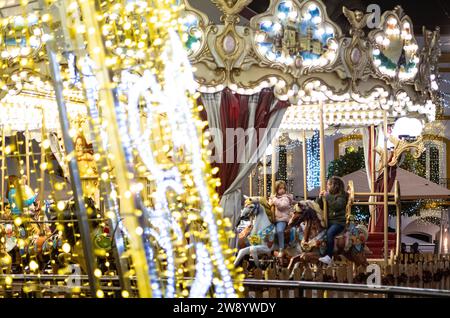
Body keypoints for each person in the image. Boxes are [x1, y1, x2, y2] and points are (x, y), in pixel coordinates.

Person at [316, 176, 348, 266]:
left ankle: (329, 256)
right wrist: (320, 198)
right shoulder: (328, 196)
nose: (327, 187)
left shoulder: (341, 196)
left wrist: (327, 196)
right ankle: (321, 253)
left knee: (330, 233)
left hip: (338, 222)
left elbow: (337, 206)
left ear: (335, 186)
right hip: (328, 221)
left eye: (329, 185)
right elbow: (319, 207)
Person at [269, 180, 293, 257]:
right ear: (276, 189)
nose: (282, 190)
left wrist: (274, 200)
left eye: (283, 188)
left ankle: (281, 248)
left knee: (279, 231)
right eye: (280, 188)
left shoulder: (286, 198)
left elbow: (282, 206)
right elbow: (269, 205)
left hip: (282, 219)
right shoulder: (275, 197)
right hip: (274, 220)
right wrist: (271, 200)